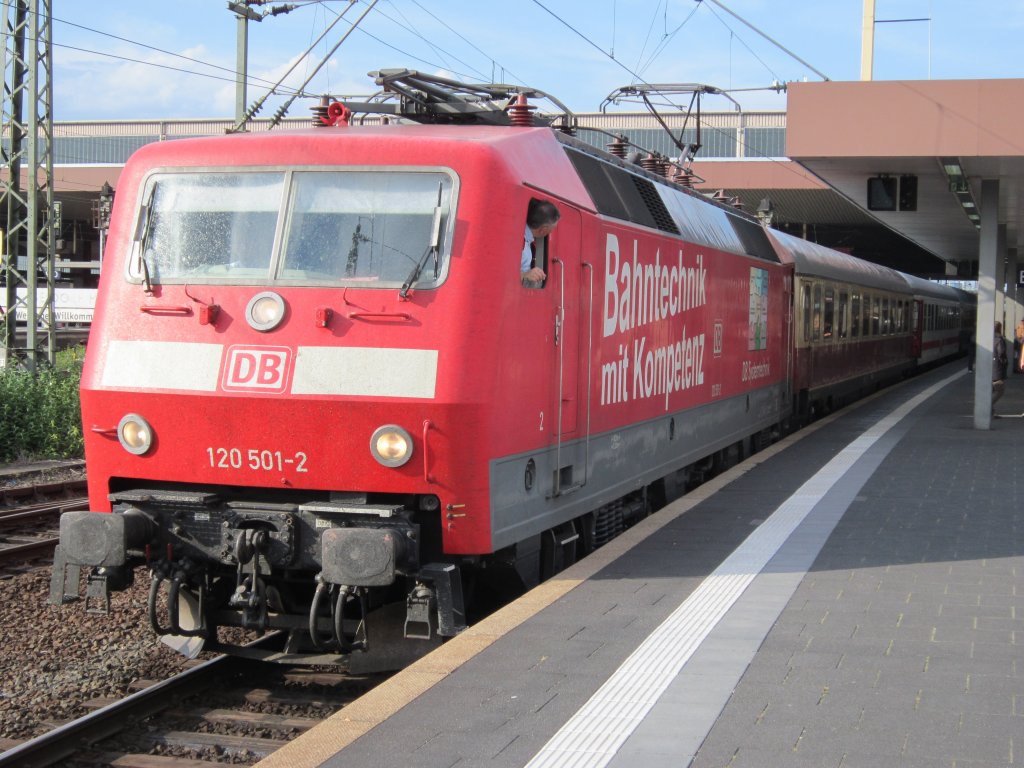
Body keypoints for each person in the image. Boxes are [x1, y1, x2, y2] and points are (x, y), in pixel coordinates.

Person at [521, 199, 560, 286]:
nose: (551, 233)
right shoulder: (520, 241)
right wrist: (525, 275)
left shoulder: (527, 241)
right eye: (551, 229)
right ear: (543, 229)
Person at [992, 321, 1008, 415]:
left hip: (989, 367)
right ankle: (988, 406)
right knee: (1000, 390)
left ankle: (990, 410)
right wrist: (1004, 362)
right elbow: (1001, 353)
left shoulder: (988, 338)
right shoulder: (999, 339)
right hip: (997, 368)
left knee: (994, 389)